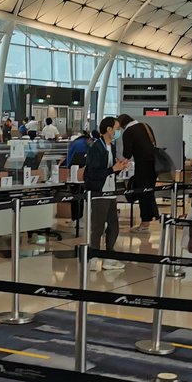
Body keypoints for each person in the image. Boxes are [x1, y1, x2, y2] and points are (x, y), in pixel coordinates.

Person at [84, 116, 129, 271]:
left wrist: (119, 167)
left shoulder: (112, 146)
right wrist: (112, 169)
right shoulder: (96, 148)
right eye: (116, 128)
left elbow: (111, 167)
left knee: (114, 225)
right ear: (109, 130)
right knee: (98, 225)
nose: (118, 131)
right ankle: (94, 256)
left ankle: (110, 254)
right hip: (99, 191)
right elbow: (93, 173)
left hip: (111, 190)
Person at [115, 113, 159, 231]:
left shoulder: (129, 132)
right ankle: (150, 218)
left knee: (142, 192)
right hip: (154, 165)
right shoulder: (145, 126)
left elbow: (127, 154)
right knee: (149, 192)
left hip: (143, 166)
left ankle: (145, 223)